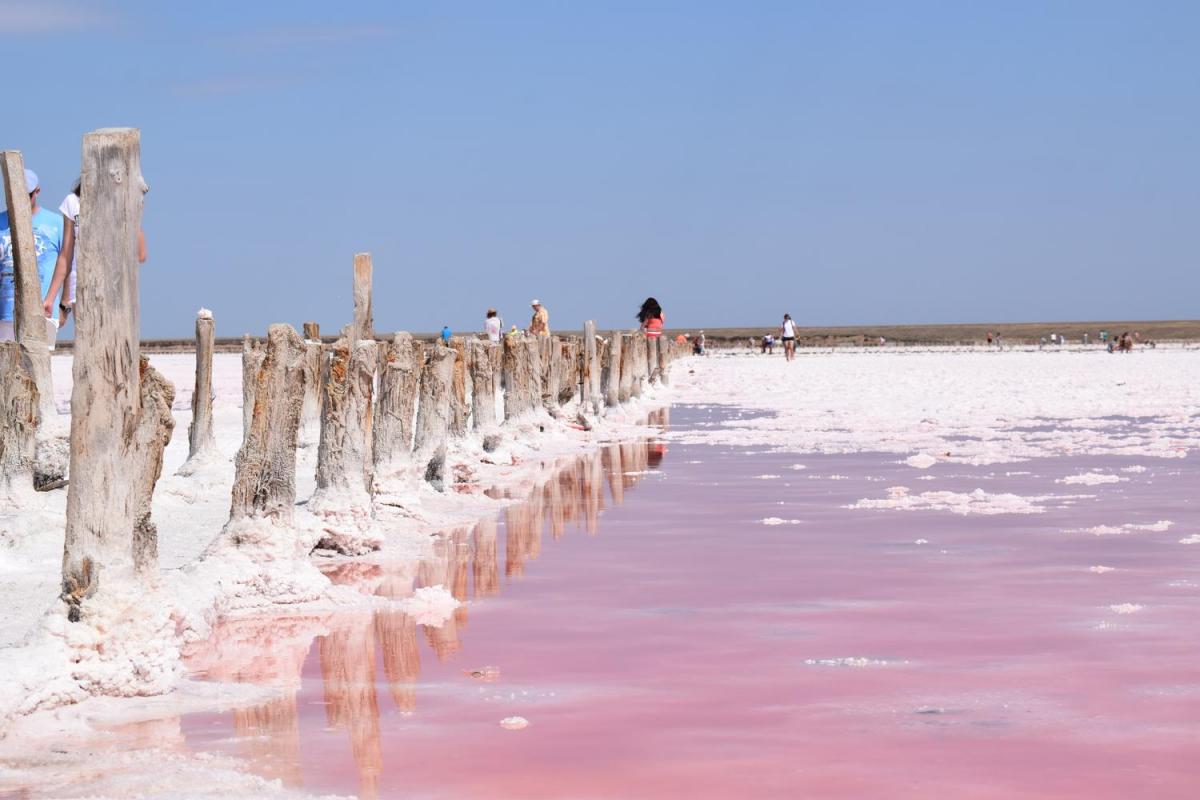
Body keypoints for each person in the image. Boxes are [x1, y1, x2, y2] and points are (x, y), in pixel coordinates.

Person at [46, 176, 147, 328]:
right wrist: (50, 298)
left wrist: (134, 212)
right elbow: (66, 254)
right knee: (86, 344)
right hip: (81, 287)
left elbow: (140, 254)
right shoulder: (73, 201)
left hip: (114, 287)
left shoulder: (120, 201)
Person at [1, 169, 63, 342]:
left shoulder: (56, 223)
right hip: (4, 312)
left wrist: (62, 304)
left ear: (37, 191)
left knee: (39, 366)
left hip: (43, 311)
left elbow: (67, 265)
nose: (20, 200)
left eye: (26, 195)